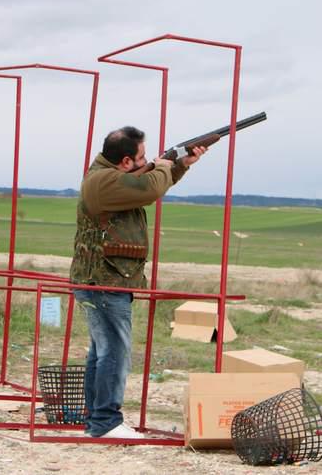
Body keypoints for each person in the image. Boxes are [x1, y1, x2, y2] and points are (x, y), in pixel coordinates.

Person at [70, 126, 205, 439]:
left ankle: (96, 421)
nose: (150, 160)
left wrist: (181, 164)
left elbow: (146, 185)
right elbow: (150, 189)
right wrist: (165, 165)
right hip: (105, 281)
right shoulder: (104, 181)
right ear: (127, 161)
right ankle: (105, 423)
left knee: (102, 352)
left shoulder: (108, 176)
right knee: (114, 352)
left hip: (103, 279)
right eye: (143, 157)